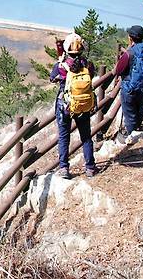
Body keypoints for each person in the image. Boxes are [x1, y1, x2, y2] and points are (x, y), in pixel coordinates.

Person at [49, 33, 99, 179]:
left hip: (66, 104)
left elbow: (52, 78)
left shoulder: (61, 66)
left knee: (64, 136)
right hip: (83, 104)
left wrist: (60, 65)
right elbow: (91, 74)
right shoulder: (87, 64)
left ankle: (64, 167)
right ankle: (90, 167)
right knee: (86, 136)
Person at [114, 25, 143, 144]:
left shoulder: (130, 53)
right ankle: (138, 129)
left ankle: (132, 138)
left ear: (130, 38)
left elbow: (117, 70)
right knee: (139, 109)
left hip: (130, 88)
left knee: (129, 114)